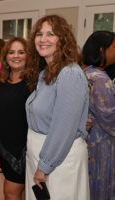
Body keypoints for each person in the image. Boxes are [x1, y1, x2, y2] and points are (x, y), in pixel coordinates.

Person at [24, 14, 90, 200]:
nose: (43, 39)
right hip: (41, 153)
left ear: (63, 40)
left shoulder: (69, 74)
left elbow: (63, 128)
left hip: (58, 157)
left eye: (50, 34)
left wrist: (45, 165)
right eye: (39, 34)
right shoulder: (46, 72)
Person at [0, 37, 30, 200]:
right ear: (5, 56)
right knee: (16, 193)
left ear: (28, 55)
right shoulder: (1, 80)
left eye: (21, 52)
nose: (16, 56)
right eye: (11, 52)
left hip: (25, 147)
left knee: (11, 193)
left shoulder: (34, 82)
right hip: (6, 148)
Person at [82, 30, 115, 200]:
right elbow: (110, 118)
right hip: (101, 143)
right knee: (100, 185)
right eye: (114, 47)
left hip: (90, 140)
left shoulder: (87, 72)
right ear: (102, 51)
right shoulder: (100, 79)